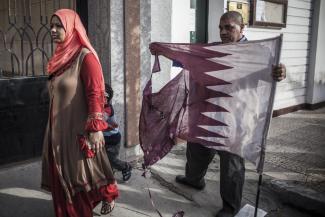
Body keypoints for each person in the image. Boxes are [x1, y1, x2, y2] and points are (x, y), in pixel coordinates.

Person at [175, 11, 286, 217]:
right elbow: (192, 62)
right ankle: (194, 180)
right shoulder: (214, 49)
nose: (223, 32)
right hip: (209, 111)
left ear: (242, 28)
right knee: (196, 148)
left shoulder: (257, 54)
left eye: (229, 27)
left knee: (231, 165)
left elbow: (274, 72)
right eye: (221, 27)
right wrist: (171, 53)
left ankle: (230, 207)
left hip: (236, 118)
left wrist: (280, 72)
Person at [41, 9, 118, 217]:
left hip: (78, 132)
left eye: (59, 25)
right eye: (52, 25)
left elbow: (96, 93)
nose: (53, 30)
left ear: (72, 27)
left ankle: (104, 196)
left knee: (80, 178)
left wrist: (95, 128)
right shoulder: (59, 59)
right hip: (58, 132)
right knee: (64, 177)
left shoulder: (86, 57)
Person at [102, 84, 132, 182]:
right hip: (104, 138)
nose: (103, 99)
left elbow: (104, 125)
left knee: (112, 160)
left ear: (108, 98)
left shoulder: (107, 109)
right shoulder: (99, 106)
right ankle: (109, 174)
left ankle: (126, 167)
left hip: (112, 139)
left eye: (105, 97)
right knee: (104, 160)